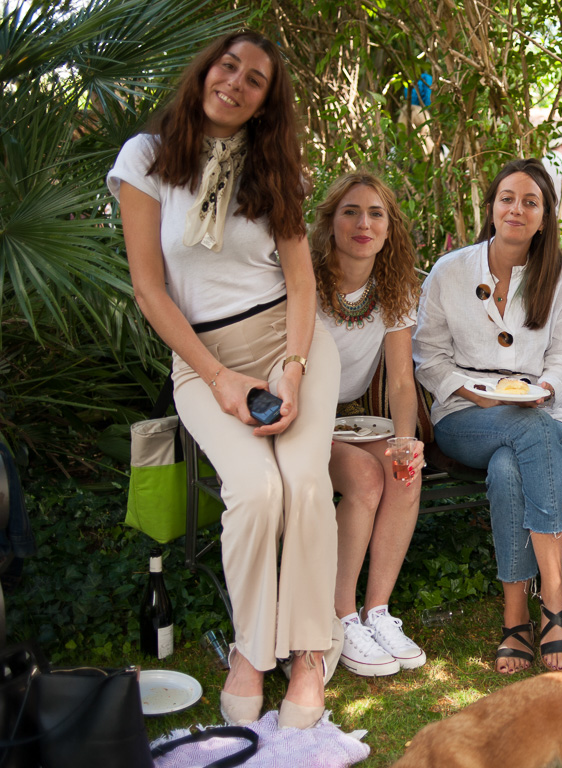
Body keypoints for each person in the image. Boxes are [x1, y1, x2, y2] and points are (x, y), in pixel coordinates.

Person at [108, 30, 341, 729]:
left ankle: (307, 652)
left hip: (291, 341)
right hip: (203, 359)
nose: (236, 83)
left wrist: (293, 370)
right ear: (206, 69)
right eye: (229, 66)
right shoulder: (146, 160)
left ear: (268, 101)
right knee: (256, 490)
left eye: (256, 79)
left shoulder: (276, 167)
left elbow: (302, 286)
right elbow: (151, 291)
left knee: (303, 484)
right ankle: (250, 650)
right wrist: (217, 378)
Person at [412, 158, 562, 674]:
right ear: (491, 207)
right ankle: (555, 597)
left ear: (545, 216)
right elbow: (428, 355)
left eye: (531, 201)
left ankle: (516, 617)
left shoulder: (559, 275)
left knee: (510, 464)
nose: (517, 209)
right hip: (466, 412)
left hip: (543, 409)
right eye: (507, 198)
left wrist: (546, 388)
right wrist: (470, 391)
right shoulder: (451, 271)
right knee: (522, 435)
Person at [310, 172, 430, 676]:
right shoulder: (306, 279)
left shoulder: (394, 287)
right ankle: (339, 617)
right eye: (351, 212)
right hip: (300, 417)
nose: (364, 223)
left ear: (389, 228)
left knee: (406, 470)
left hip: (346, 420)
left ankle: (375, 611)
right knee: (362, 477)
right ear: (330, 222)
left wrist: (405, 440)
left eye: (376, 214)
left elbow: (402, 382)